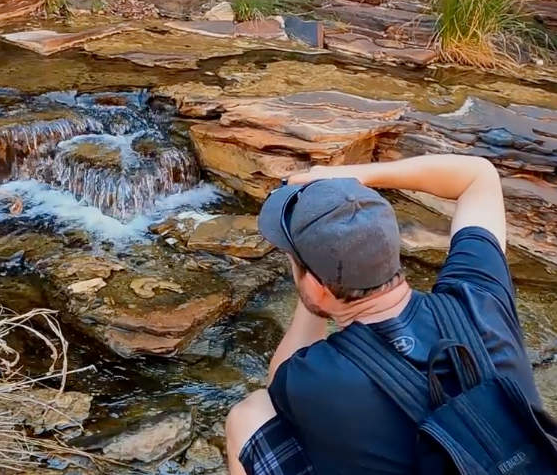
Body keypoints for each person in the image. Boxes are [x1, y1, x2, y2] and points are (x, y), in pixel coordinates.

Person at [225, 154, 548, 475]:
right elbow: (478, 175)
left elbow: (280, 380)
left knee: (250, 414)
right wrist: (353, 176)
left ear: (315, 286)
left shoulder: (312, 382)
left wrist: (319, 293)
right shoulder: (480, 296)